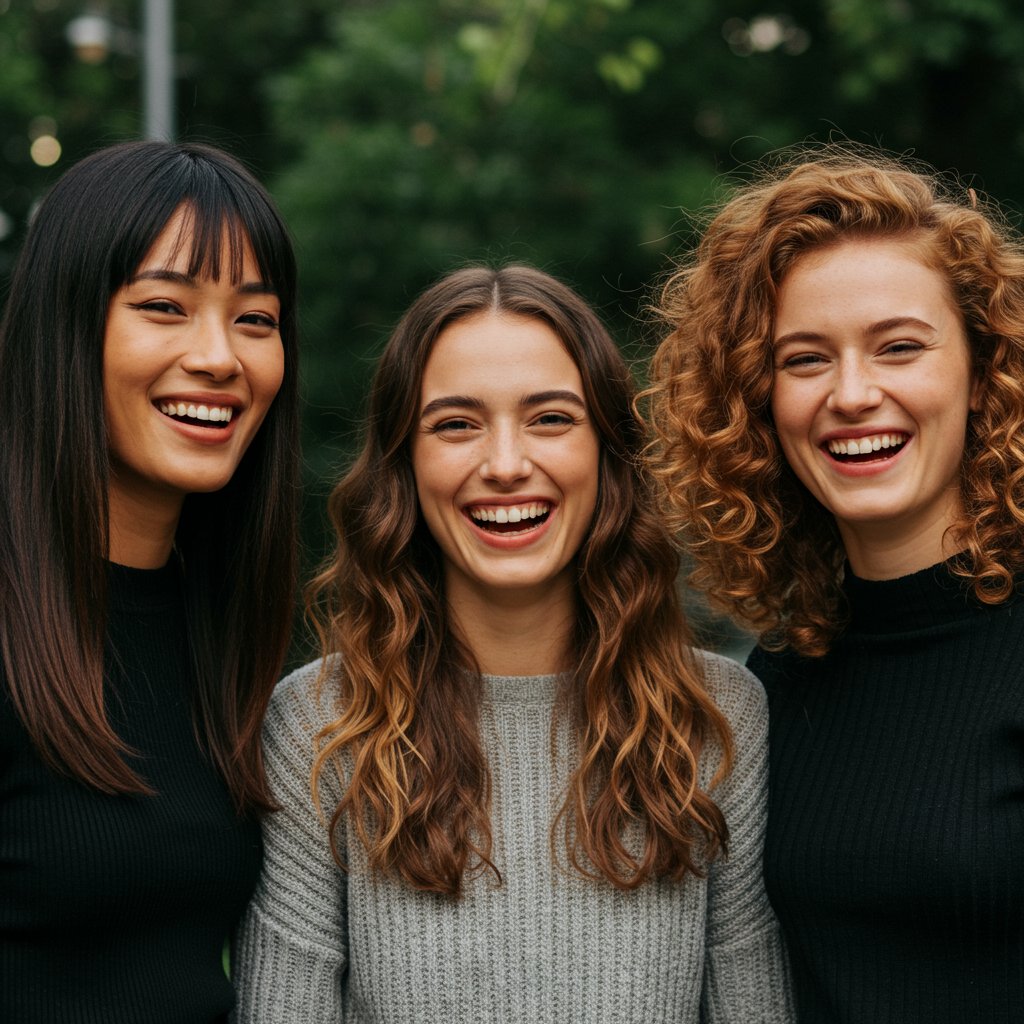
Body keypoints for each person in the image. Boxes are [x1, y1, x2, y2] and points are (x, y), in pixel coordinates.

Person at [232, 265, 793, 1022]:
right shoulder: (317, 725)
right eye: (456, 424)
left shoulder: (721, 718)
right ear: (404, 463)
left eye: (551, 419)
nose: (504, 465)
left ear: (608, 453)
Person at [646, 145, 1024, 1023]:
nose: (852, 394)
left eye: (899, 347)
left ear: (983, 371)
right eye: (805, 359)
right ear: (757, 401)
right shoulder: (779, 677)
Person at [0, 140, 300, 1022]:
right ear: (68, 322)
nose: (220, 358)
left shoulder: (225, 632)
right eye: (164, 306)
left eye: (256, 319)